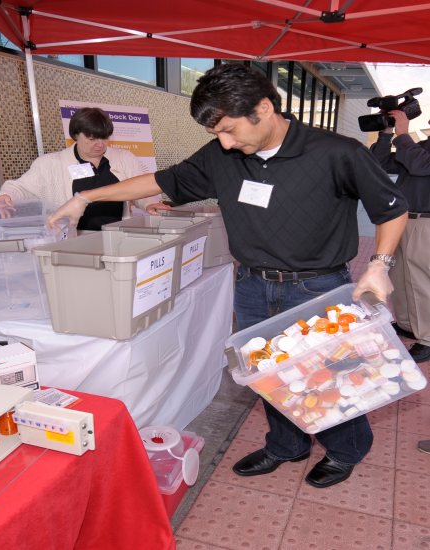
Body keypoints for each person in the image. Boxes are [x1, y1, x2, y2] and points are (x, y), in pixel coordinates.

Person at [48, 64, 409, 489]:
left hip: (318, 285)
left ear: (264, 107)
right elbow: (159, 180)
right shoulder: (222, 154)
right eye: (216, 133)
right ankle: (286, 445)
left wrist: (379, 266)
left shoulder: (337, 152)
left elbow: (392, 209)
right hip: (253, 285)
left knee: (328, 372)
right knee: (267, 374)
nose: (225, 142)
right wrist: (86, 196)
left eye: (230, 130)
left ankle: (345, 450)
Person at [0, 107, 159, 231]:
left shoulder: (125, 158)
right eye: (92, 139)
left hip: (116, 236)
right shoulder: (51, 164)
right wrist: (5, 196)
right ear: (75, 135)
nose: (100, 145)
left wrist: (148, 205)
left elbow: (138, 191)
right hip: (70, 239)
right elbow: (20, 187)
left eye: (105, 138)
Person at [370, 109, 430, 364]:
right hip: (405, 218)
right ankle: (407, 324)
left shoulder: (417, 149)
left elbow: (419, 166)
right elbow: (380, 162)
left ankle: (427, 337)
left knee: (421, 281)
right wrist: (386, 133)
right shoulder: (423, 146)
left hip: (426, 223)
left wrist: (403, 134)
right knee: (400, 275)